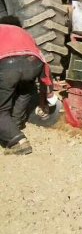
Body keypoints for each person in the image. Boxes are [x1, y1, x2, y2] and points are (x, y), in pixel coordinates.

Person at [0, 15, 54, 155]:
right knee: (25, 90)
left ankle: (18, 141)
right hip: (34, 64)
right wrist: (47, 97)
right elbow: (43, 63)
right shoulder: (24, 33)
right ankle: (15, 124)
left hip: (9, 66)